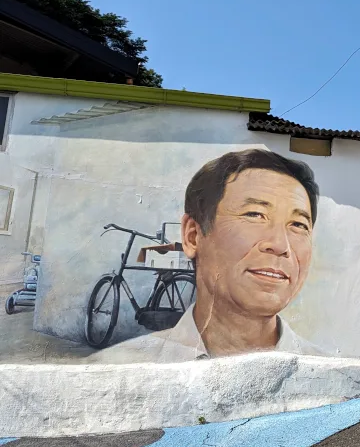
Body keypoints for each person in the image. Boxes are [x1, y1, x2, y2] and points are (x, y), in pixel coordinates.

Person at [89, 149, 326, 363]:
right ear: (193, 236)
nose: (279, 245)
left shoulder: (340, 380)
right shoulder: (114, 371)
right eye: (254, 214)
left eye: (298, 224)